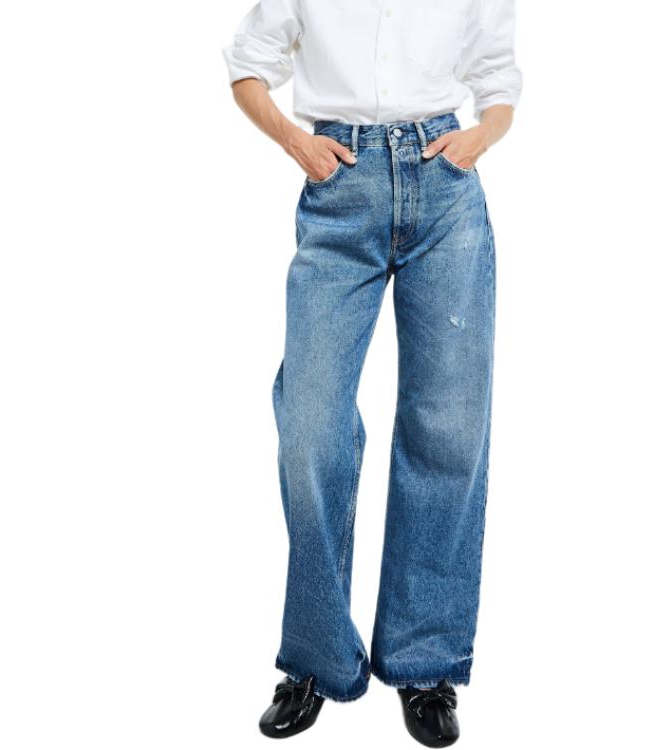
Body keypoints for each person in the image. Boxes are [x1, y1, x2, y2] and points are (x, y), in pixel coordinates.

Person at [222, 1, 522, 745]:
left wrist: (481, 134)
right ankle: (317, 660)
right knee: (310, 426)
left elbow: (497, 76)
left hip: (445, 187)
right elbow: (247, 66)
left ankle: (426, 663)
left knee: (448, 429)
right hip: (340, 188)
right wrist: (295, 140)